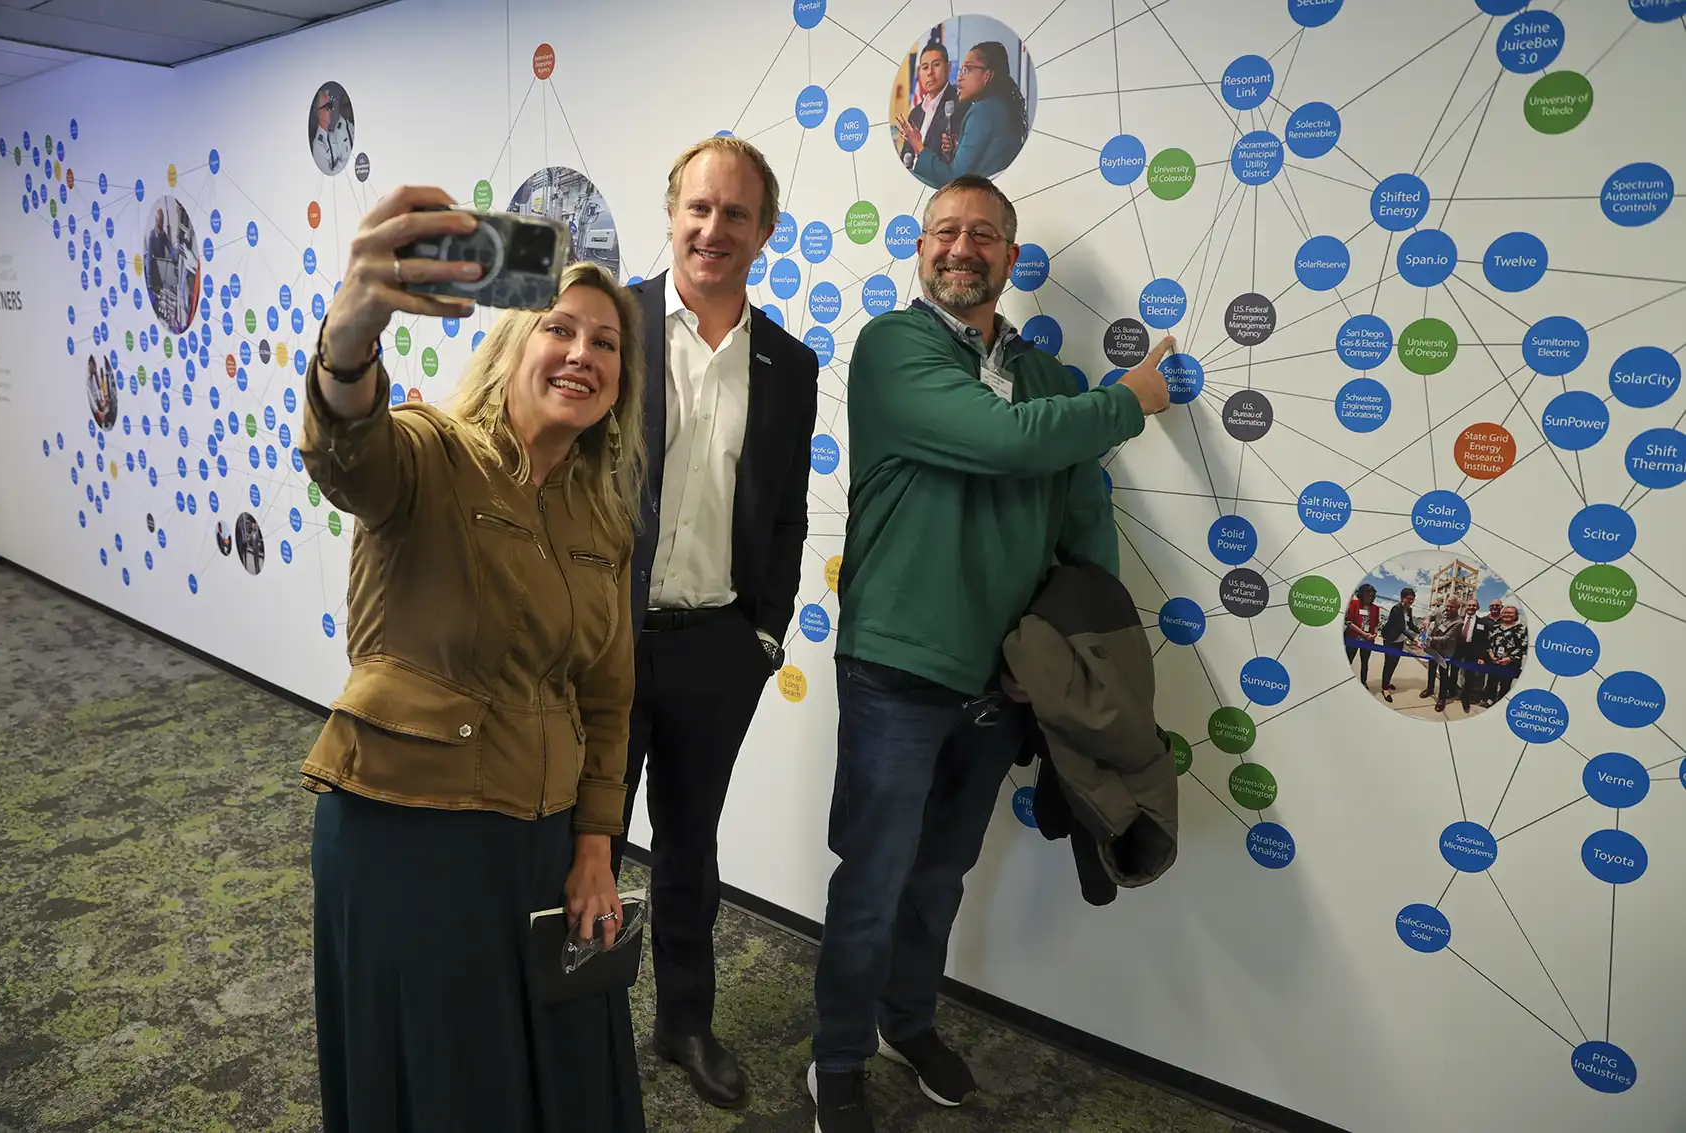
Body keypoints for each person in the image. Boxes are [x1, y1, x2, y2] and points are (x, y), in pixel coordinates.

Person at [808, 174, 1173, 1133]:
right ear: (920, 250)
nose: (960, 247)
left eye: (982, 234)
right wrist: (1127, 402)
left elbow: (1083, 523)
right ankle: (837, 1056)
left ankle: (907, 1022)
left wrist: (1066, 658)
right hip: (895, 669)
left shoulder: (1049, 381)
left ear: (1010, 257)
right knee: (872, 878)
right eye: (944, 231)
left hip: (998, 684)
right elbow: (1002, 440)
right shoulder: (893, 347)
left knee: (940, 876)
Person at [297, 185, 649, 1132]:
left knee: (556, 1071)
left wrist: (595, 849)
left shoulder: (604, 517)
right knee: (445, 1078)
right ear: (511, 345)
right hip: (411, 832)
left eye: (606, 342)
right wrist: (349, 338)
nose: (582, 353)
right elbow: (347, 452)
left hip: (539, 842)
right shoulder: (432, 453)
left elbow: (608, 699)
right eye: (559, 329)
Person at [617, 135, 818, 1110]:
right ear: (670, 214)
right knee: (576, 839)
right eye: (698, 207)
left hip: (716, 648)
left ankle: (684, 1020)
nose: (713, 228)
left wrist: (763, 637)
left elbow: (786, 514)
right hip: (605, 642)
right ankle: (566, 1021)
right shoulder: (607, 325)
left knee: (690, 846)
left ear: (763, 231)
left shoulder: (788, 363)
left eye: (735, 213)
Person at [901, 41, 1029, 188]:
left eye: (967, 70)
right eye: (961, 70)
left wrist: (919, 148)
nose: (960, 77)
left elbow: (954, 177)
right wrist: (956, 147)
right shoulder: (998, 106)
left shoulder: (981, 112)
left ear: (987, 75)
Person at [896, 42, 957, 175]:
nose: (930, 72)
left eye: (936, 65)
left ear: (948, 67)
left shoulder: (958, 105)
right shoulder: (915, 113)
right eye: (925, 67)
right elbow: (906, 156)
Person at [1379, 586, 1418, 702]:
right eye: (1409, 598)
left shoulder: (1409, 610)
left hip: (1400, 640)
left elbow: (1410, 624)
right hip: (1390, 639)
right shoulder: (1396, 609)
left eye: (1413, 599)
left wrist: (1419, 631)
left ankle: (1386, 682)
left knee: (1394, 663)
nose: (1411, 601)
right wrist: (1414, 639)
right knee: (1388, 663)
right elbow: (1401, 628)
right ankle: (1384, 688)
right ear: (1402, 598)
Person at [1485, 605, 1527, 704]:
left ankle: (1501, 703)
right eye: (1504, 612)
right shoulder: (1495, 628)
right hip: (1494, 661)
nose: (1507, 614)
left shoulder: (1521, 629)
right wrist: (1491, 655)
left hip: (1511, 663)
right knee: (1492, 682)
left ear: (1516, 615)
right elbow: (1489, 643)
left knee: (1505, 684)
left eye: (1510, 613)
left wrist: (1510, 658)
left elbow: (1523, 647)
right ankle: (1490, 700)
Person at [311, 84, 355, 175]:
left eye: (331, 106)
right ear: (318, 113)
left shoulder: (332, 136)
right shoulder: (318, 147)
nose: (331, 110)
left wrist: (338, 164)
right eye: (328, 107)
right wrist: (341, 164)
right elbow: (331, 173)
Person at [1343, 583, 1381, 686]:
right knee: (1348, 661)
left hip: (1368, 640)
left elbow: (1376, 624)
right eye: (1368, 594)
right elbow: (1349, 622)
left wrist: (1374, 634)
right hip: (1353, 638)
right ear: (1362, 594)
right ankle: (1343, 680)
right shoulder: (1354, 604)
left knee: (1365, 662)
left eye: (1372, 595)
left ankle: (1364, 683)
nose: (1370, 596)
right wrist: (1363, 634)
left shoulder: (1376, 608)